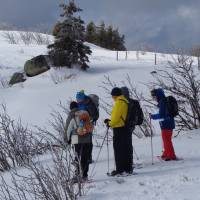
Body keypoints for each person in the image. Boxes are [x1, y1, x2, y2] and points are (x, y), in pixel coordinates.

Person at [104, 87, 133, 176]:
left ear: (115, 95)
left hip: (119, 129)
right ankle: (127, 168)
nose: (112, 97)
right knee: (126, 149)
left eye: (112, 95)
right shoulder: (125, 101)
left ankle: (120, 169)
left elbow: (116, 118)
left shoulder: (119, 102)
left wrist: (109, 123)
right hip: (125, 128)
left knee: (118, 150)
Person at [65, 101, 92, 182]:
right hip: (87, 140)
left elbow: (68, 130)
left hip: (77, 140)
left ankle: (78, 175)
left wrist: (68, 140)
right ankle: (85, 175)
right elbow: (90, 128)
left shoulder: (73, 117)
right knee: (85, 157)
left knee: (78, 158)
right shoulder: (86, 116)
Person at [150, 88, 177, 161]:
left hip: (166, 123)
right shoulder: (163, 101)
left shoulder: (162, 102)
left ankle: (171, 155)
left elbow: (161, 115)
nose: (154, 98)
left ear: (158, 95)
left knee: (167, 140)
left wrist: (152, 116)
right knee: (165, 139)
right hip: (168, 123)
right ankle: (166, 153)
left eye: (154, 96)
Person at [76, 90, 99, 164]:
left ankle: (88, 158)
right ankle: (80, 158)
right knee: (80, 141)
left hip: (88, 125)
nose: (77, 100)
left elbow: (93, 115)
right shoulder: (80, 104)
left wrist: (86, 121)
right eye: (77, 99)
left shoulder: (89, 104)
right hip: (80, 125)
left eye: (78, 99)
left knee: (88, 142)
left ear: (82, 98)